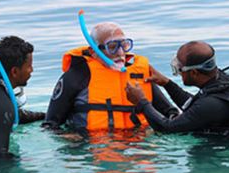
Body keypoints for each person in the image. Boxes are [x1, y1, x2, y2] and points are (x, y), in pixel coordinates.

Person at [43, 22, 179, 133]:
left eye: (124, 45)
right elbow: (49, 125)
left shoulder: (139, 73)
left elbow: (170, 112)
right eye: (112, 47)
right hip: (91, 148)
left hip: (139, 145)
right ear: (93, 51)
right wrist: (68, 138)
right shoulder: (77, 75)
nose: (120, 53)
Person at [125, 41, 229, 136]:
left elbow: (167, 128)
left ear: (194, 73)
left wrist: (141, 102)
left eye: (179, 69)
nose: (179, 73)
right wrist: (167, 83)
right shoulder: (226, 83)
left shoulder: (211, 104)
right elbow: (193, 106)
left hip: (220, 157)